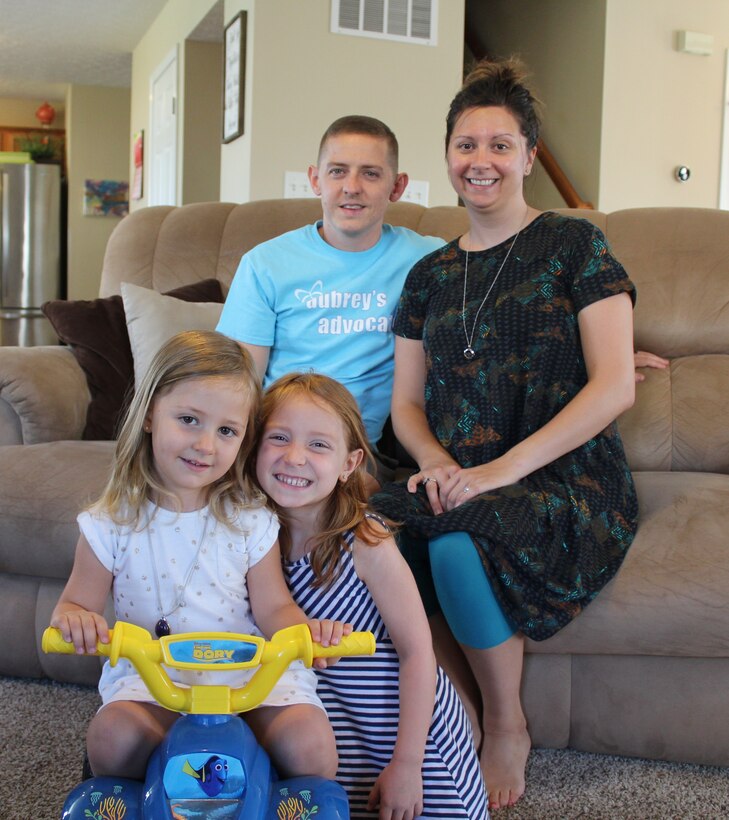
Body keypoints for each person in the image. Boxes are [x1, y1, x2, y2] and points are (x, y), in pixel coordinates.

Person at [370, 58, 640, 811]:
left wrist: (495, 474)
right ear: (448, 157)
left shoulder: (573, 247)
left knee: (457, 535)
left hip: (566, 480)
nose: (479, 161)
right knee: (365, 529)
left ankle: (504, 722)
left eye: (499, 144)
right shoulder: (427, 275)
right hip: (456, 470)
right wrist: (433, 464)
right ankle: (443, 719)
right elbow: (406, 403)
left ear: (527, 157)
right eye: (464, 144)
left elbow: (613, 384)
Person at [50, 330, 349, 782]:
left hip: (248, 676)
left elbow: (274, 607)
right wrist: (76, 620)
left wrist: (304, 633)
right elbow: (75, 604)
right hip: (155, 680)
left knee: (311, 745)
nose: (206, 445)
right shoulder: (110, 522)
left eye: (226, 430)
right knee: (112, 739)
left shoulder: (250, 519)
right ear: (150, 415)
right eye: (189, 419)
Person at [250, 372, 489, 819]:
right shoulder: (247, 542)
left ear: (349, 462)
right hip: (330, 740)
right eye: (278, 437)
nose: (294, 457)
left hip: (409, 739)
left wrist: (407, 764)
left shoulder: (365, 540)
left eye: (319, 445)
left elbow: (418, 654)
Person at [215, 115, 444, 475]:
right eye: (337, 171)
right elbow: (237, 383)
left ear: (397, 187)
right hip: (274, 442)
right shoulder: (266, 263)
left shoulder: (428, 261)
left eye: (370, 173)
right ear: (315, 180)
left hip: (358, 454)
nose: (352, 187)